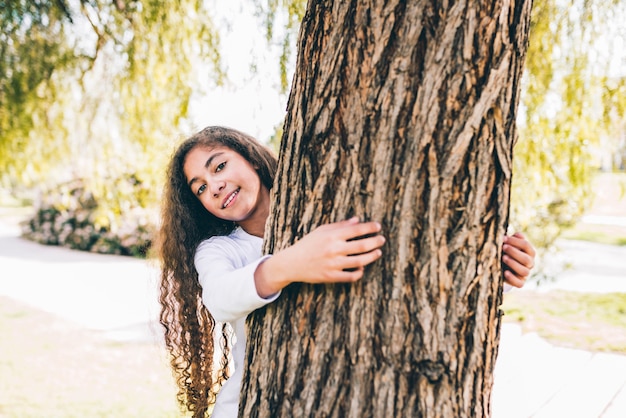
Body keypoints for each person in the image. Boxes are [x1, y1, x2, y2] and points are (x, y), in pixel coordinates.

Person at [157, 126, 536, 418]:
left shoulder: (320, 203)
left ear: (251, 159)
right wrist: (293, 263)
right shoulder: (219, 249)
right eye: (201, 188)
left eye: (220, 166)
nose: (216, 185)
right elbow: (221, 299)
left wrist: (492, 257)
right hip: (249, 406)